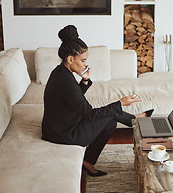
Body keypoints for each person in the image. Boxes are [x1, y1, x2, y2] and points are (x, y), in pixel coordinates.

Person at [42, 25, 151, 177]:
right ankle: (136, 120)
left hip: (58, 126)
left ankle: (89, 161)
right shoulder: (65, 81)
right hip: (64, 133)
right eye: (83, 60)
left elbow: (73, 99)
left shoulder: (60, 72)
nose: (86, 64)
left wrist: (85, 82)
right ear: (70, 59)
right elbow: (89, 115)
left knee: (110, 121)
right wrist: (120, 103)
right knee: (109, 116)